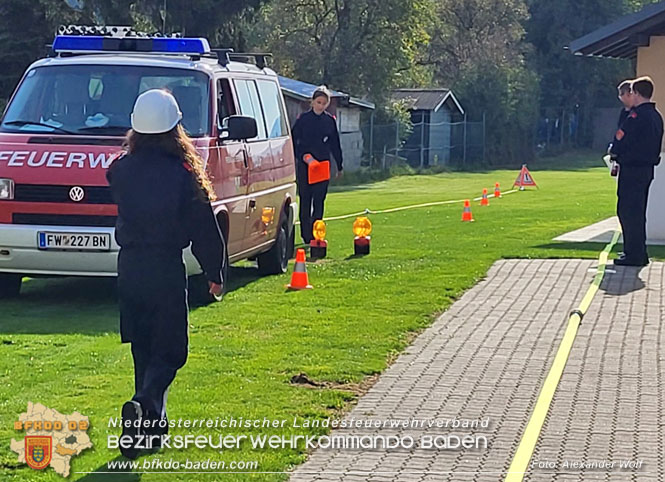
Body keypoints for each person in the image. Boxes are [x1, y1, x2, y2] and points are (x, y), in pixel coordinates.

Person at [106, 89, 224, 459]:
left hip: (129, 268)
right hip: (164, 267)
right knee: (171, 351)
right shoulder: (183, 173)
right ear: (175, 129)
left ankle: (147, 433)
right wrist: (215, 270)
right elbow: (204, 226)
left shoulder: (121, 170)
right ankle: (143, 401)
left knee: (144, 350)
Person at [610, 76, 664, 266]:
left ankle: (633, 254)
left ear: (636, 93)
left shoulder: (636, 117)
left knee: (628, 211)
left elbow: (621, 138)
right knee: (637, 212)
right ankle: (638, 252)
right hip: (646, 169)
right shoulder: (656, 116)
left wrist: (615, 152)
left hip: (632, 169)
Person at [291, 86, 343, 244]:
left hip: (322, 165)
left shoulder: (329, 121)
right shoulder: (303, 120)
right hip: (305, 165)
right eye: (319, 102)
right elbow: (294, 141)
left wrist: (339, 166)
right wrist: (303, 157)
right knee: (305, 199)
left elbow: (335, 144)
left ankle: (316, 232)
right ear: (312, 102)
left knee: (319, 200)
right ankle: (306, 235)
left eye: (324, 103)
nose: (321, 105)